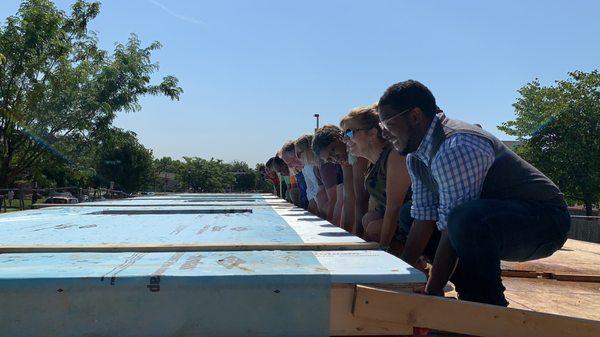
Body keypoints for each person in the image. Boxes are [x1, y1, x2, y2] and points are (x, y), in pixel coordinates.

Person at [378, 79, 570, 306]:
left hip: (545, 223)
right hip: (494, 222)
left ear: (415, 117)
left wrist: (432, 292)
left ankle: (485, 308)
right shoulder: (416, 157)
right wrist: (398, 283)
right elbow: (424, 218)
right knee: (410, 214)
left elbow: (453, 227)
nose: (385, 135)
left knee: (464, 219)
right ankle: (469, 293)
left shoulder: (457, 145)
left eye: (388, 125)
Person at [340, 105, 411, 250]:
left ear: (372, 133)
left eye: (349, 133)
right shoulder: (373, 164)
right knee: (369, 219)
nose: (345, 139)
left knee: (374, 226)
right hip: (399, 222)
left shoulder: (395, 156)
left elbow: (394, 207)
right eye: (343, 135)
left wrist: (382, 248)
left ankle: (417, 264)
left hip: (419, 223)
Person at [313, 125, 369, 233]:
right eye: (330, 159)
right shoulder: (345, 161)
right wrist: (344, 232)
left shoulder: (355, 149)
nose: (336, 158)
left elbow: (360, 196)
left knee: (369, 221)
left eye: (333, 151)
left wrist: (358, 235)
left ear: (338, 137)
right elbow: (349, 197)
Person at [294, 134, 328, 217]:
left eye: (298, 154)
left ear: (310, 149)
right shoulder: (315, 169)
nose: (297, 158)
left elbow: (333, 198)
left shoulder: (325, 165)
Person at [280, 141, 308, 209]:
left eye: (290, 162)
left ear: (297, 155)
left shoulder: (309, 167)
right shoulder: (300, 171)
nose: (290, 167)